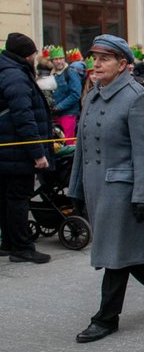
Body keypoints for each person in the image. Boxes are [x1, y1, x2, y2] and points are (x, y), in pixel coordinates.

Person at [69, 35, 144, 342]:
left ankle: (105, 318)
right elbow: (83, 146)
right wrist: (76, 188)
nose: (96, 64)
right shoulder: (93, 94)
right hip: (96, 187)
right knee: (126, 251)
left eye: (104, 59)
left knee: (114, 255)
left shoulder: (135, 97)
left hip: (123, 188)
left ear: (122, 65)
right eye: (95, 57)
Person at [0, 32, 53, 264]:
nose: (35, 57)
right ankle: (22, 247)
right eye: (33, 53)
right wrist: (38, 152)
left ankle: (9, 242)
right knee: (18, 197)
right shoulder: (16, 76)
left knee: (7, 197)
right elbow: (24, 117)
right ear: (25, 54)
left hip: (8, 148)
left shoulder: (8, 70)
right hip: (17, 150)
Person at [47, 44, 82, 140]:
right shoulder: (51, 74)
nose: (59, 61)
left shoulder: (71, 72)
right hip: (54, 115)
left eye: (61, 58)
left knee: (67, 142)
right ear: (51, 61)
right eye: (56, 59)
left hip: (68, 114)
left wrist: (59, 107)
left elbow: (75, 94)